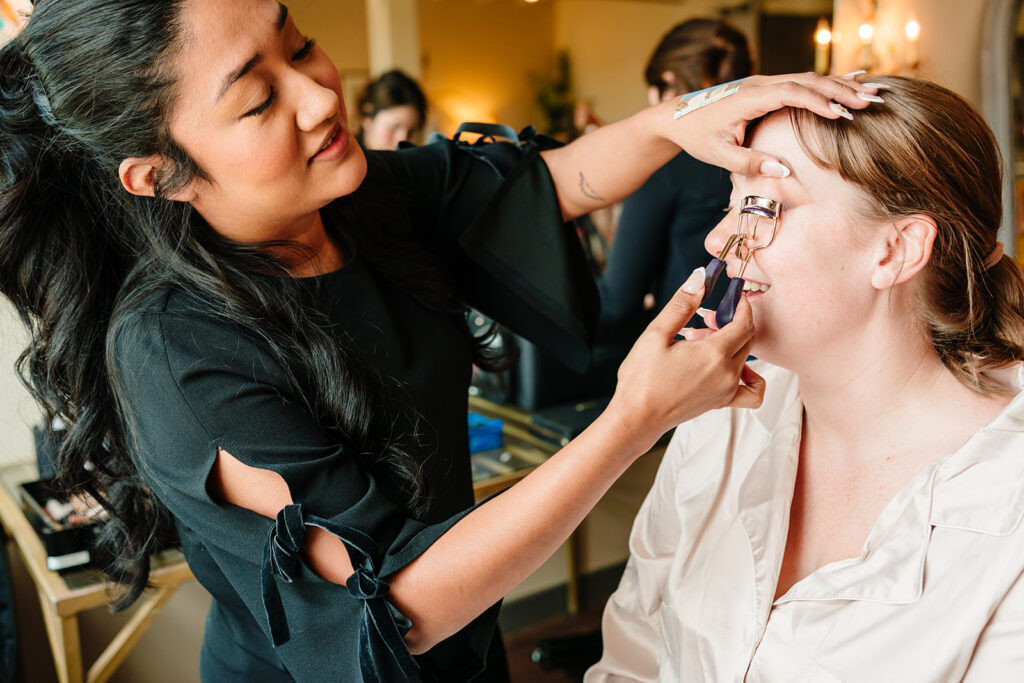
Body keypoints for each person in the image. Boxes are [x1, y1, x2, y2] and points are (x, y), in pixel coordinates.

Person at [0, 0, 877, 680]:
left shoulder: (359, 196)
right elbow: (398, 604)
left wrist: (680, 120)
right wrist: (632, 419)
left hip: (468, 644)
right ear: (160, 174)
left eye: (298, 43)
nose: (318, 93)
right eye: (260, 99)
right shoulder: (173, 352)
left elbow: (544, 182)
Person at [588, 76, 1024, 681]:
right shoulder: (718, 423)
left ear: (897, 251)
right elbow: (633, 655)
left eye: (765, 207)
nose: (718, 241)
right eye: (731, 201)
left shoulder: (1009, 514)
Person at [598, 18, 754, 327]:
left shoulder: (665, 162)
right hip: (762, 347)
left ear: (668, 83)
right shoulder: (762, 146)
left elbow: (618, 301)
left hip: (691, 346)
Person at [356, 69, 427, 151]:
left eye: (411, 133)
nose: (403, 143)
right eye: (393, 129)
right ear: (367, 118)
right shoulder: (347, 160)